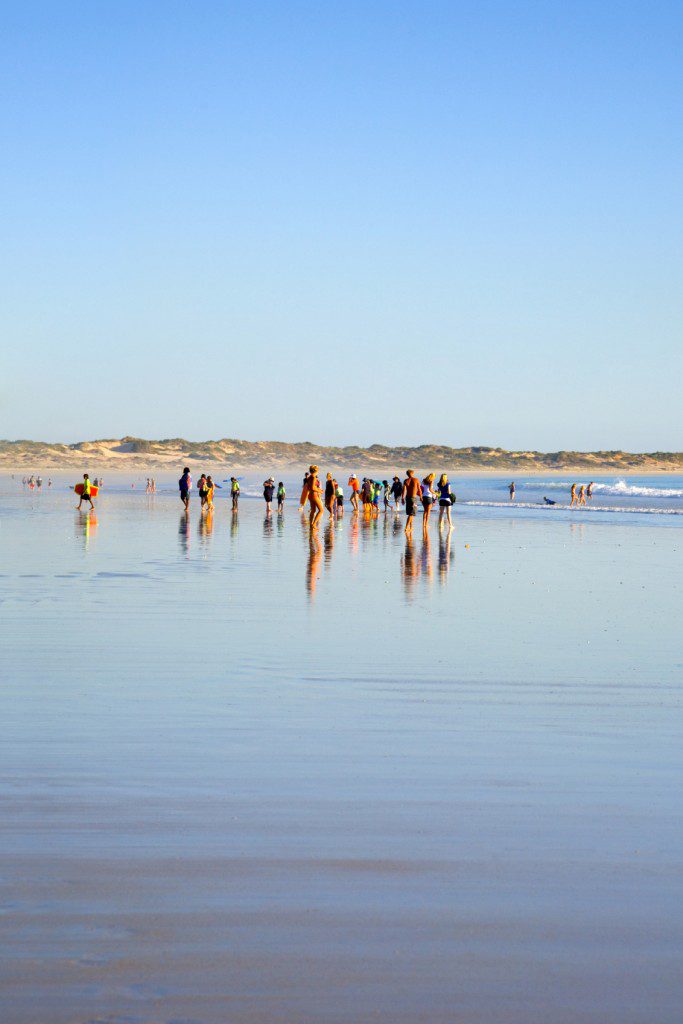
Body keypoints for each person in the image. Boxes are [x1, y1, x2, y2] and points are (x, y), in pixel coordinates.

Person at [402, 469, 421, 536]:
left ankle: (411, 527)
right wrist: (421, 497)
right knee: (411, 514)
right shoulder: (416, 480)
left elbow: (403, 490)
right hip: (413, 498)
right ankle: (406, 527)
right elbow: (419, 489)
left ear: (407, 474)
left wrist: (402, 498)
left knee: (410, 512)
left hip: (408, 498)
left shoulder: (406, 481)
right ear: (412, 473)